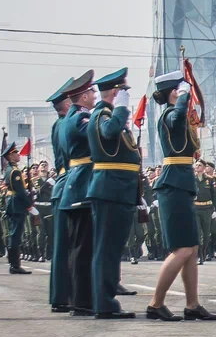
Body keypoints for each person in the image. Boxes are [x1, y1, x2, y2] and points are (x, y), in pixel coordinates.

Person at [147, 72, 216, 321]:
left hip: (181, 182)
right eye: (179, 91)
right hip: (173, 183)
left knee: (192, 248)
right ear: (173, 93)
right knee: (182, 249)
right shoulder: (169, 114)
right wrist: (184, 94)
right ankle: (156, 303)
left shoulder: (175, 116)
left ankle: (192, 304)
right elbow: (179, 116)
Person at [84, 68, 143, 318]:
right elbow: (109, 133)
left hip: (118, 189)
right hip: (111, 189)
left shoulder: (107, 115)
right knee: (106, 249)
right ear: (115, 92)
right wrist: (120, 108)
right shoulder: (102, 115)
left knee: (111, 249)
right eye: (123, 92)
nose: (126, 97)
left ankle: (105, 301)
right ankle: (105, 304)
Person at [57, 71, 98, 316]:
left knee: (78, 249)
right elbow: (99, 135)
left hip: (74, 188)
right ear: (83, 96)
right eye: (92, 92)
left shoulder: (69, 118)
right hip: (81, 187)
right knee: (83, 249)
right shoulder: (80, 119)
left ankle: (78, 300)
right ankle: (82, 302)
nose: (94, 95)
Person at [44, 77, 73, 309]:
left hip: (62, 186)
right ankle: (65, 297)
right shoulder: (66, 124)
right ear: (65, 103)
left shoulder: (59, 124)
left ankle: (60, 297)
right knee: (68, 246)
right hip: (69, 186)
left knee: (62, 246)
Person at [0, 139, 36, 275]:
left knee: (13, 234)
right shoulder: (14, 171)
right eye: (15, 153)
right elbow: (20, 190)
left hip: (12, 203)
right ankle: (15, 265)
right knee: (15, 235)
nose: (18, 154)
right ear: (10, 156)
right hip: (16, 204)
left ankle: (14, 264)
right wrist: (29, 205)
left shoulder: (11, 169)